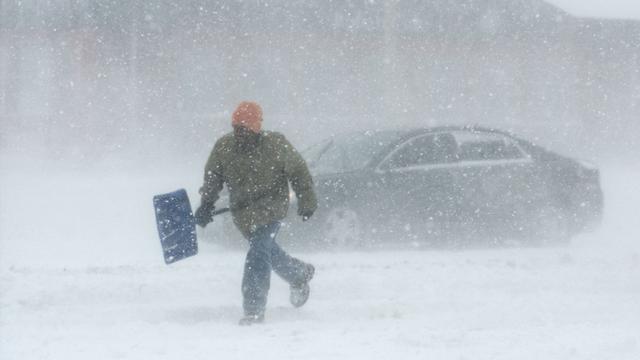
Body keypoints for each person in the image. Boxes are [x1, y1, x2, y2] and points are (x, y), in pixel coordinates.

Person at [194, 101, 318, 326]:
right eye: (237, 129)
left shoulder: (275, 144)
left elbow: (299, 171)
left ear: (256, 128)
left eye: (245, 129)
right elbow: (213, 178)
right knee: (266, 250)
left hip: (272, 209)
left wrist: (307, 200)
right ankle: (299, 274)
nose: (240, 134)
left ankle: (253, 309)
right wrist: (206, 205)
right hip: (243, 214)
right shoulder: (224, 147)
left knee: (258, 252)